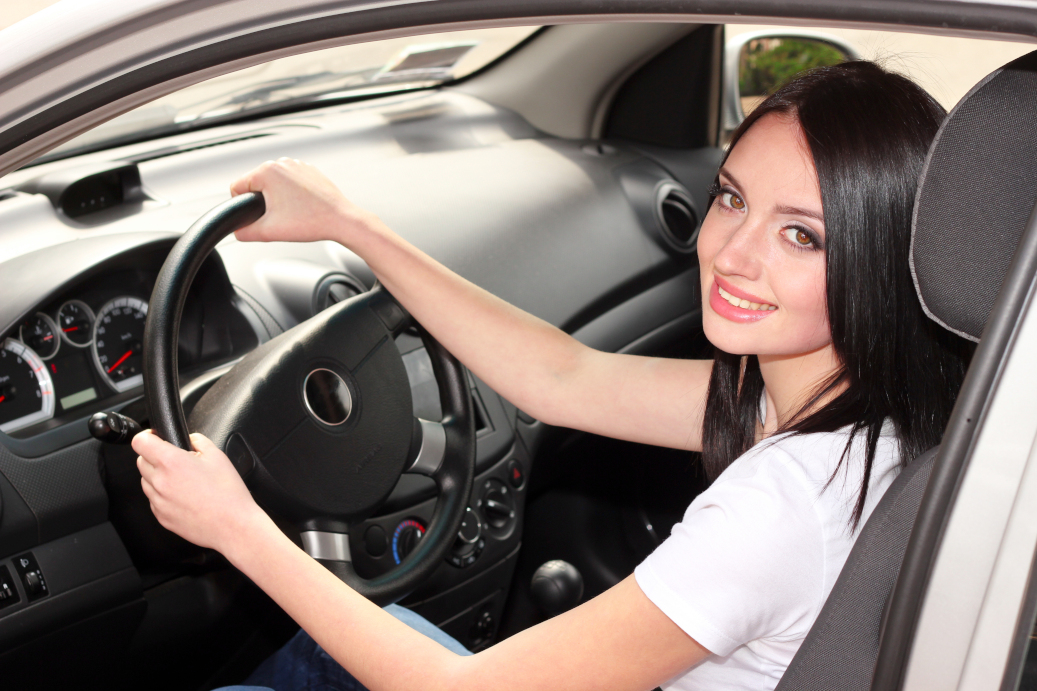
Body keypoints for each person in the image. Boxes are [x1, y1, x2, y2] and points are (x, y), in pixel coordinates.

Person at [131, 61, 974, 691]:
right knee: (356, 637)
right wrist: (352, 226)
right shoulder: (868, 410)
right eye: (730, 198)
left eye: (802, 236)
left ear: (876, 256)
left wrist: (237, 527)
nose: (731, 253)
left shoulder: (778, 507)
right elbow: (562, 377)